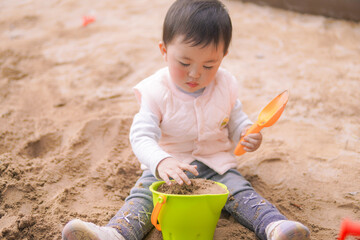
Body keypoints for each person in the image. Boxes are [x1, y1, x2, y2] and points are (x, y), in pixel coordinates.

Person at [62, 0, 311, 239]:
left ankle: (274, 226)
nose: (195, 74)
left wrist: (246, 133)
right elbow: (141, 136)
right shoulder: (156, 91)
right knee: (143, 199)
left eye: (209, 65)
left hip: (217, 167)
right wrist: (161, 161)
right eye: (184, 62)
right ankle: (115, 233)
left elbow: (235, 118)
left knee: (242, 192)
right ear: (164, 50)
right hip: (169, 169)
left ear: (223, 56)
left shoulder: (226, 85)